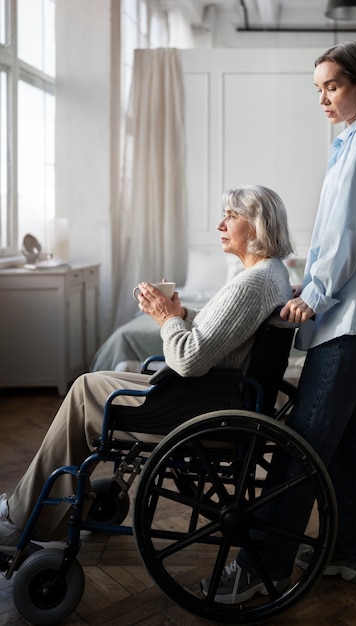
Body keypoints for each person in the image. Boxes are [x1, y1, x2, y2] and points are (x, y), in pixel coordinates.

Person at [205, 41, 356, 603]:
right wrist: (306, 284)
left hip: (349, 320)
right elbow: (338, 236)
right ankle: (352, 554)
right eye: (317, 88)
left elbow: (349, 234)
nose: (322, 97)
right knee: (348, 443)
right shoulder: (354, 142)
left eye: (332, 86)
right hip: (353, 317)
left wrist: (313, 294)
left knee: (303, 443)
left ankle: (257, 565)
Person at [0, 184, 294, 548]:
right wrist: (183, 313)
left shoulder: (252, 282)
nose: (221, 224)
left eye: (231, 216)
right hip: (216, 393)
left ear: (257, 227)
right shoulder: (272, 274)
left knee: (83, 391)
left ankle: (22, 519)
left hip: (201, 402)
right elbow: (227, 328)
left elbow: (188, 359)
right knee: (91, 383)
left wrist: (165, 318)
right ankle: (40, 508)